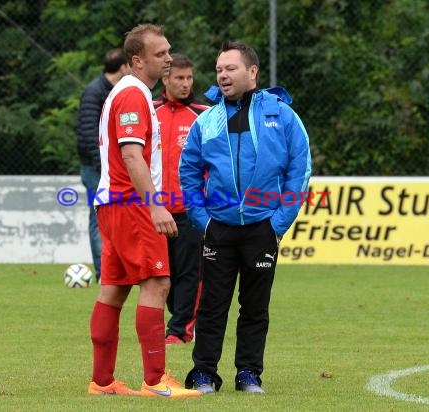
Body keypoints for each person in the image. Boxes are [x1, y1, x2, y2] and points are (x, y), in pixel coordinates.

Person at [180, 41, 312, 395]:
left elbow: (299, 171)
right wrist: (203, 220)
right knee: (211, 306)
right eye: (219, 69)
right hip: (218, 229)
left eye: (231, 68)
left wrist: (277, 224)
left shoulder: (282, 115)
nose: (222, 74)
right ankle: (204, 373)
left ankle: (249, 374)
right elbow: (189, 172)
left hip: (263, 229)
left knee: (255, 308)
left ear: (252, 71)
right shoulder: (207, 120)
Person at [87, 24, 201, 398]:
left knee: (114, 291)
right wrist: (155, 207)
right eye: (160, 54)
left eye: (169, 51)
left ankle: (102, 382)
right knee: (157, 284)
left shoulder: (130, 93)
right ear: (137, 60)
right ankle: (156, 381)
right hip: (130, 204)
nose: (168, 58)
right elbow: (132, 156)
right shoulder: (134, 95)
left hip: (113, 204)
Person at [153, 54, 209, 345]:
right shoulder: (149, 111)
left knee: (189, 272)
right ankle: (180, 319)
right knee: (163, 275)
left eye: (189, 78)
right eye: (179, 78)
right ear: (165, 79)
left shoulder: (204, 114)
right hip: (155, 210)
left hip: (190, 211)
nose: (186, 84)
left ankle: (180, 330)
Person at [76, 48, 129, 282]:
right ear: (123, 67)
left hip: (109, 168)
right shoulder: (94, 92)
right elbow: (88, 135)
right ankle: (103, 273)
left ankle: (116, 270)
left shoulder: (113, 91)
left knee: (116, 220)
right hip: (96, 169)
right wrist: (104, 166)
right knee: (98, 220)